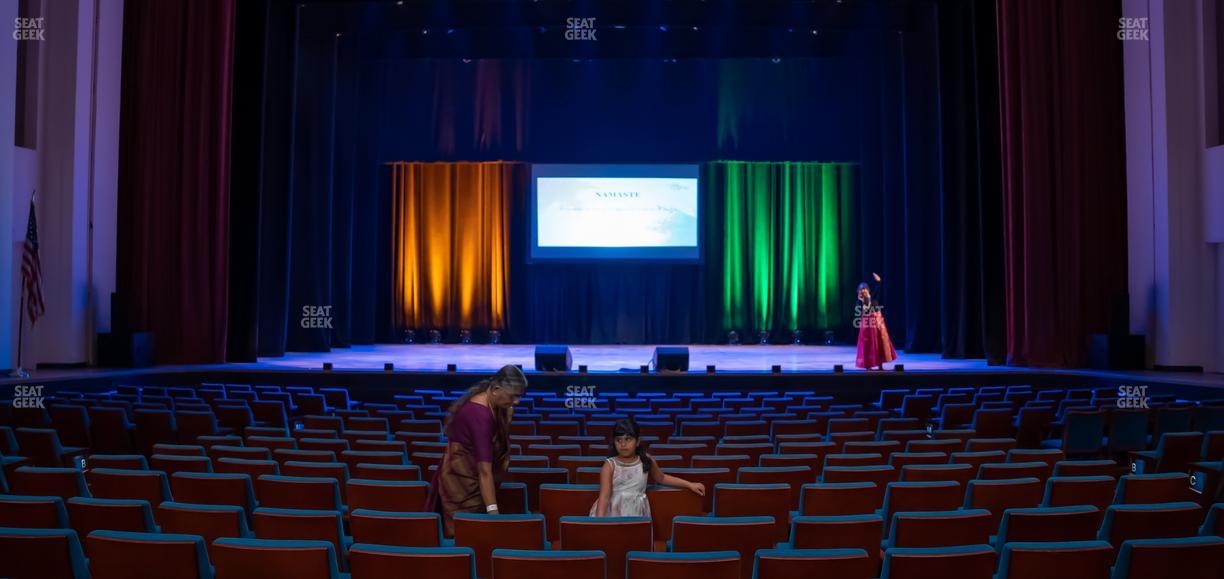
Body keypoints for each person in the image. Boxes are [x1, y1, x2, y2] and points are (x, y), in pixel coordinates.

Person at [425, 364, 527, 537]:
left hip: (473, 478)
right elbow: (484, 471)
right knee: (468, 535)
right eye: (514, 396)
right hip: (461, 484)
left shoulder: (495, 404)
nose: (517, 402)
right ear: (495, 389)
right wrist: (494, 514)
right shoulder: (479, 416)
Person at [591, 418, 705, 517]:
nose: (623, 444)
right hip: (612, 513)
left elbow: (662, 478)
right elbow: (604, 497)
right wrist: (600, 522)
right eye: (618, 440)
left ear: (637, 441)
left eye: (628, 439)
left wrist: (689, 484)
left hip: (637, 511)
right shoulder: (610, 465)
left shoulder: (645, 459)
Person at [855, 272, 897, 370]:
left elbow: (878, 287)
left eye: (864, 289)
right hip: (867, 325)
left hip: (878, 321)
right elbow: (861, 312)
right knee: (868, 344)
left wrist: (878, 280)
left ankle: (880, 365)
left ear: (868, 289)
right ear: (859, 292)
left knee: (880, 342)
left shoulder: (873, 296)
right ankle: (868, 365)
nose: (863, 291)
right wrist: (862, 302)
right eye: (861, 290)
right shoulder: (859, 302)